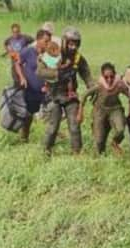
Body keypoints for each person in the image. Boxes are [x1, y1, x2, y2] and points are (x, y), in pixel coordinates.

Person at [37, 26, 93, 155]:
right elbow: (40, 71)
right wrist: (57, 74)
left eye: (76, 44)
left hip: (70, 96)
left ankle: (77, 152)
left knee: (74, 126)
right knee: (53, 127)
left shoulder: (78, 58)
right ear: (64, 41)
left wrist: (93, 89)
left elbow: (87, 76)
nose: (73, 47)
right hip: (53, 96)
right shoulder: (52, 53)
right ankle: (46, 151)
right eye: (70, 43)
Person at [77, 62, 130, 155]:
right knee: (99, 140)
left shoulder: (119, 84)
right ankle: (100, 156)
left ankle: (115, 142)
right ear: (102, 76)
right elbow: (84, 95)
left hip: (115, 108)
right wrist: (80, 112)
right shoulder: (99, 85)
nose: (109, 80)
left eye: (111, 76)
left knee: (120, 130)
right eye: (106, 77)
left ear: (115, 75)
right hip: (100, 110)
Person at [15, 29, 50, 143]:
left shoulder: (50, 54)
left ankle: (49, 140)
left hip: (45, 92)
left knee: (52, 115)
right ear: (38, 40)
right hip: (31, 91)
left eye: (49, 41)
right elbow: (17, 64)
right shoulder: (28, 51)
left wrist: (49, 84)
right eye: (46, 41)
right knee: (28, 116)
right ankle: (24, 138)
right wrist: (22, 78)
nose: (48, 44)